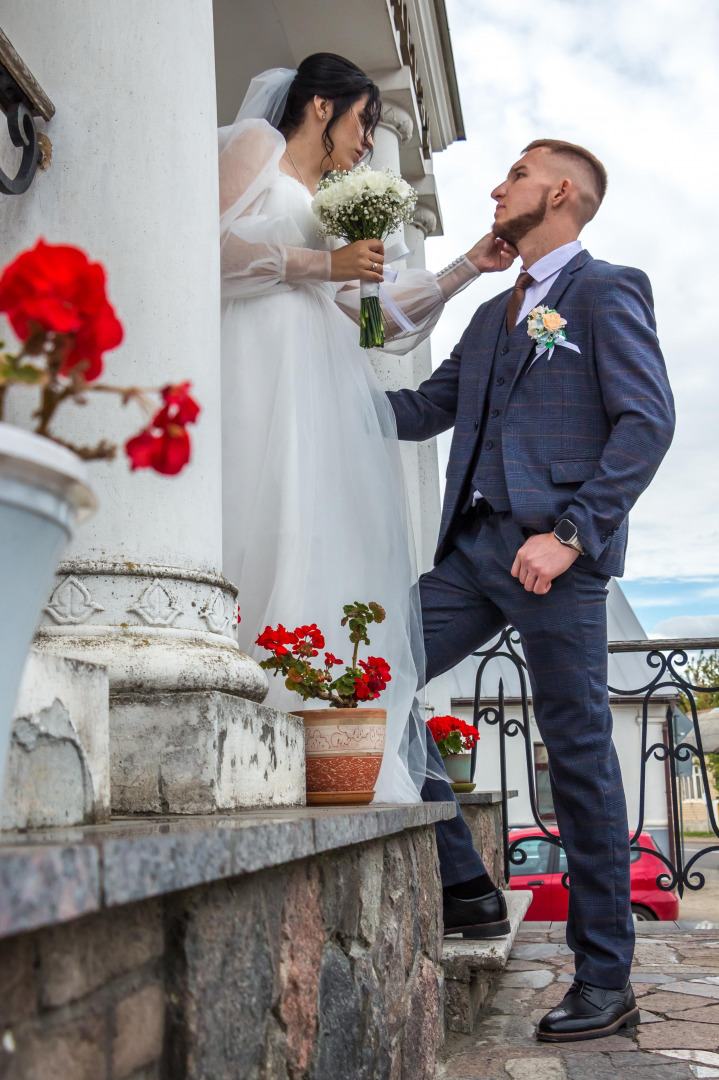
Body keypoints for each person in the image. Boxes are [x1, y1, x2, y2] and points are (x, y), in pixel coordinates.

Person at [387, 139, 675, 1042]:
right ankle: (467, 885)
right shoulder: (484, 319)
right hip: (470, 556)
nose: (494, 186)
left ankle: (604, 976)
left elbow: (646, 422)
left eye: (512, 174)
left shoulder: (605, 289)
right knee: (369, 673)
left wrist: (569, 534)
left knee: (580, 756)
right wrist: (297, 375)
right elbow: (418, 410)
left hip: (555, 561)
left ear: (556, 192)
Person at [218, 54, 515, 804]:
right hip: (253, 362)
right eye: (363, 120)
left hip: (318, 381)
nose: (366, 139)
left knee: (311, 529)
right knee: (254, 509)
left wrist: (466, 270)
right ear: (320, 105)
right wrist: (321, 264)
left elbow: (376, 322)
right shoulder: (254, 146)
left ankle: (310, 722)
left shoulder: (329, 199)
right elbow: (206, 248)